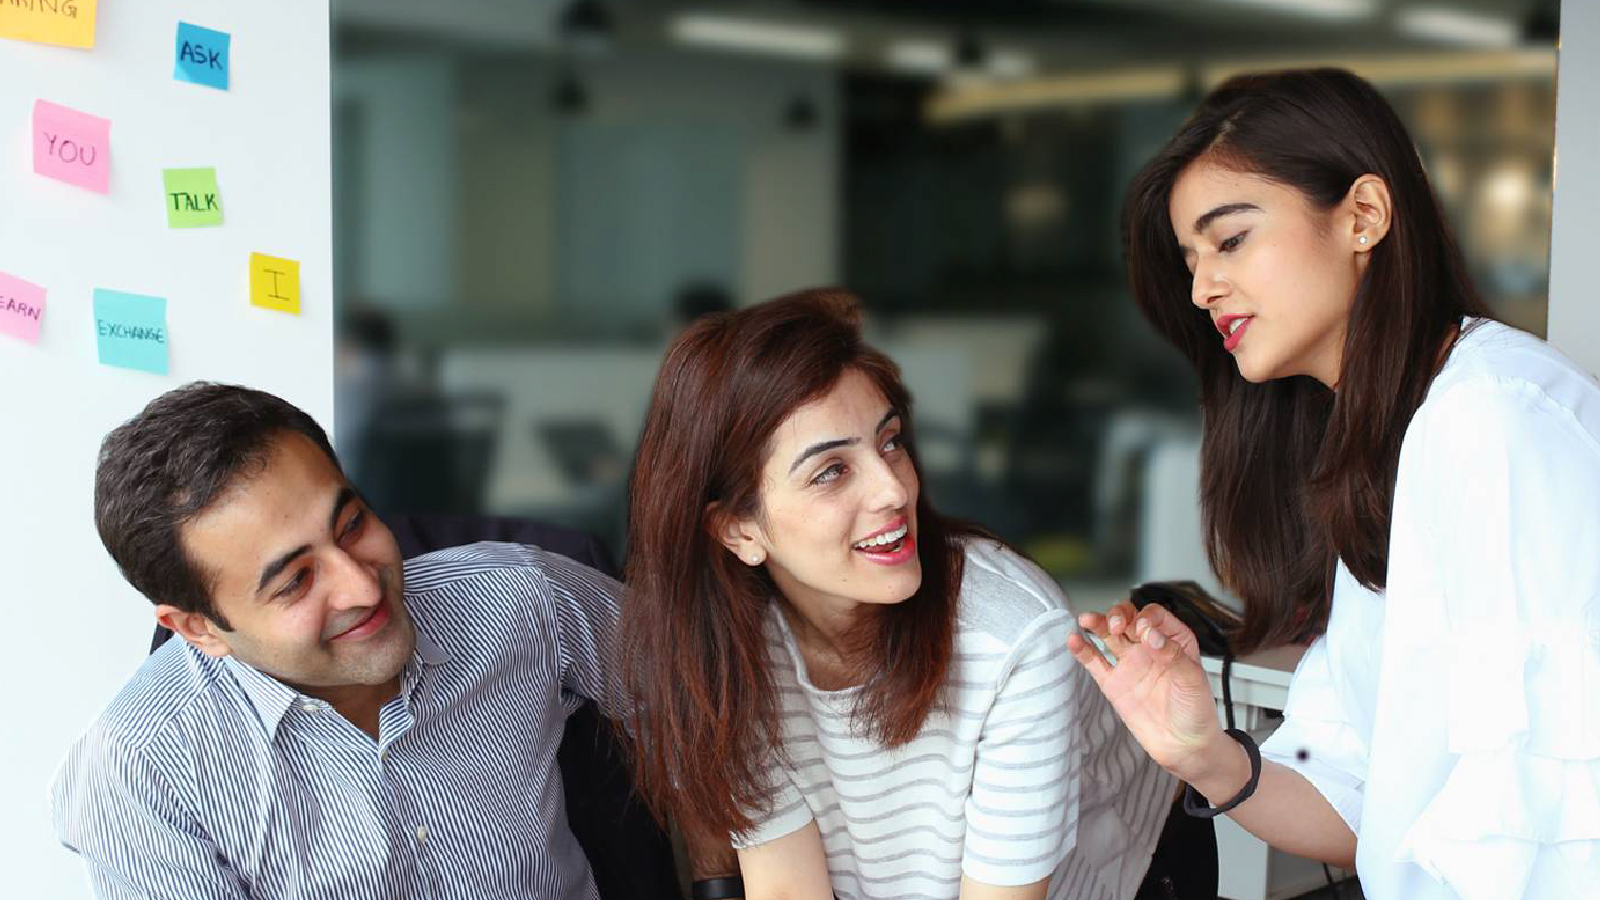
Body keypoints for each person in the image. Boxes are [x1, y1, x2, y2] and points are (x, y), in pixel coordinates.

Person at [1071, 67, 1600, 900]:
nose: (1204, 286)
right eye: (1191, 259)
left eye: (1231, 239)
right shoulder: (1379, 443)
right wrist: (1201, 751)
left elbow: (1545, 832)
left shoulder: (1490, 418)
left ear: (1363, 216)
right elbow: (1357, 808)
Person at [618, 289, 1179, 900]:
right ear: (738, 530)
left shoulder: (1011, 636)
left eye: (889, 442)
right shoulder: (727, 652)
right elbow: (786, 890)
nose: (893, 488)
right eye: (831, 471)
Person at [52, 382, 625, 899]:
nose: (363, 586)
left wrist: (714, 869)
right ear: (199, 629)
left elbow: (702, 697)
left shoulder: (524, 595)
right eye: (296, 581)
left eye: (351, 525)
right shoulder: (137, 774)